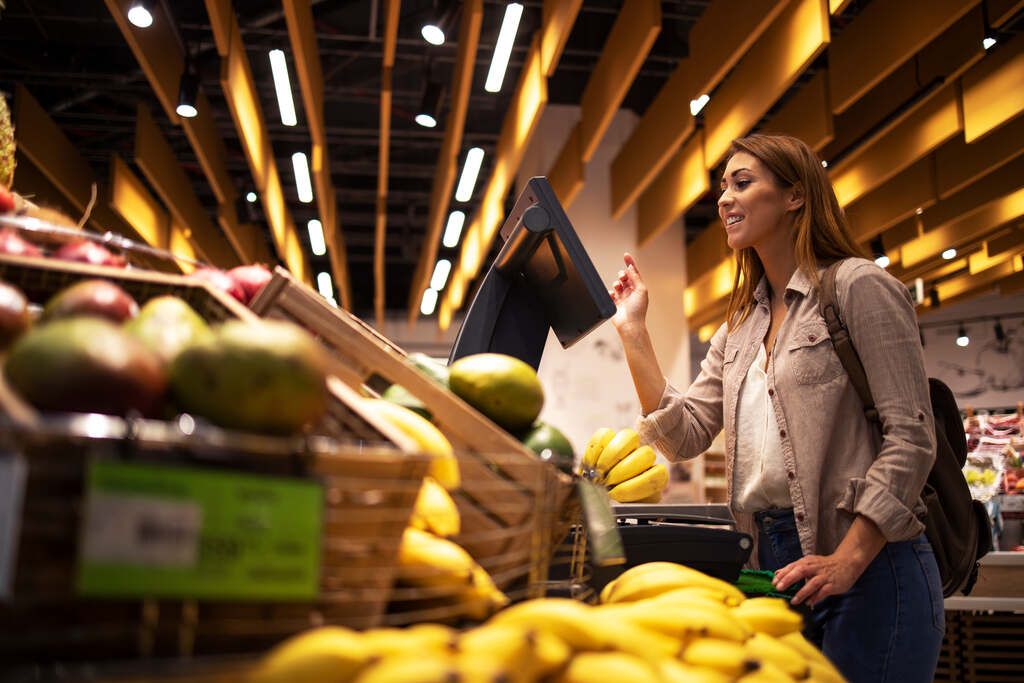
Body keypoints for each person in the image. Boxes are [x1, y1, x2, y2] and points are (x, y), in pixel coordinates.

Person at [609, 134, 944, 682]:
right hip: (772, 567)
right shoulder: (740, 328)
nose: (724, 198)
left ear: (795, 195)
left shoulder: (858, 286)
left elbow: (911, 436)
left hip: (870, 563)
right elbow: (684, 435)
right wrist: (633, 331)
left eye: (742, 183)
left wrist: (849, 558)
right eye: (723, 187)